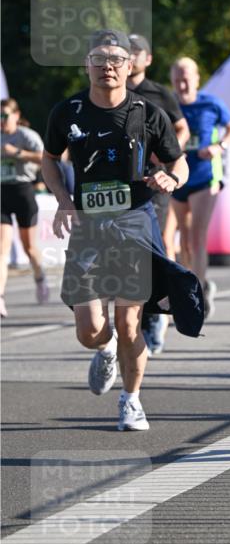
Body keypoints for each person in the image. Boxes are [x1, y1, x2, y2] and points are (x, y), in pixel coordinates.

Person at [40, 29, 196, 431]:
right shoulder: (67, 111)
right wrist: (62, 197)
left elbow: (179, 163)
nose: (107, 66)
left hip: (134, 222)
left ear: (130, 67)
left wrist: (171, 180)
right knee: (90, 330)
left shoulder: (148, 113)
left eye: (115, 60)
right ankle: (105, 348)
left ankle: (132, 400)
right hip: (89, 226)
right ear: (86, 66)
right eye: (98, 59)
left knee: (130, 323)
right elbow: (49, 158)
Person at [128, 34, 191, 355]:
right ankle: (132, 318)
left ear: (148, 59)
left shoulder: (158, 93)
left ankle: (156, 316)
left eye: (137, 51)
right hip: (122, 184)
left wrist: (165, 154)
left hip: (155, 181)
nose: (131, 55)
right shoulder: (111, 91)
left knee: (156, 246)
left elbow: (182, 129)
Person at [170, 56, 230, 318]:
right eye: (177, 79)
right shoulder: (169, 105)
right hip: (177, 178)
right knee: (185, 241)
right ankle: (199, 283)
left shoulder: (210, 103)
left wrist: (219, 146)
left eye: (186, 78)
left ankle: (194, 295)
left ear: (197, 79)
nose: (182, 84)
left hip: (203, 178)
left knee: (198, 237)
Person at [1, 98, 49, 316]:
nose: (1, 121)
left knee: (28, 246)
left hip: (23, 190)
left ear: (16, 115)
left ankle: (40, 278)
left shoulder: (26, 136)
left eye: (4, 116)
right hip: (2, 191)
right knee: (1, 247)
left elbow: (46, 158)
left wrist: (17, 153)